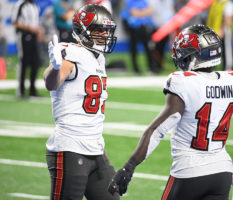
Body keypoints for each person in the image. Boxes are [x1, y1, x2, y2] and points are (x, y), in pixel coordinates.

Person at [108, 24, 233, 199]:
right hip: (222, 171)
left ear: (196, 55)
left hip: (189, 171)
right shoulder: (232, 80)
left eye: (185, 51)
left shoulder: (184, 82)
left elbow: (157, 130)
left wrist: (128, 167)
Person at [43, 4, 119, 200]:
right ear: (82, 31)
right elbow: (52, 83)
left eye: (106, 30)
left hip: (96, 147)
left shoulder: (98, 57)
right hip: (70, 146)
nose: (104, 34)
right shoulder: (70, 53)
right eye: (98, 30)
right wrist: (54, 68)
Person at [12, 0, 41, 98]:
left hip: (34, 36)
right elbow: (14, 22)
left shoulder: (34, 5)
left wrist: (38, 29)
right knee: (24, 62)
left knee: (36, 62)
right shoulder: (20, 4)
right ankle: (21, 91)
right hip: (23, 35)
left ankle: (32, 90)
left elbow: (35, 22)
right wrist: (28, 27)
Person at [121, 0, 159, 74]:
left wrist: (140, 13)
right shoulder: (129, 1)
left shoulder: (143, 1)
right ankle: (136, 70)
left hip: (144, 28)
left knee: (149, 48)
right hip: (134, 28)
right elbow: (134, 13)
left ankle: (151, 68)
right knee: (134, 50)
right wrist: (144, 12)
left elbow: (150, 11)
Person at [207, 0, 233, 71]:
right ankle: (211, 67)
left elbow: (228, 18)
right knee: (213, 51)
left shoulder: (228, 4)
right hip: (214, 31)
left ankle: (228, 67)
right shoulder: (215, 3)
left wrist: (222, 30)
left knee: (226, 49)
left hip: (224, 31)